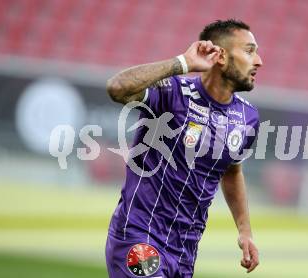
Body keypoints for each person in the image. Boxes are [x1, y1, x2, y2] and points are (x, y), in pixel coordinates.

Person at [105, 19, 263, 278]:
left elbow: (232, 171)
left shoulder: (247, 117)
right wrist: (182, 64)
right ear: (221, 56)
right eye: (249, 50)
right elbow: (117, 88)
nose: (258, 61)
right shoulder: (171, 93)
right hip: (139, 235)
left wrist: (245, 232)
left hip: (184, 251)